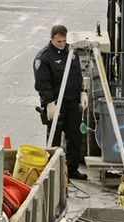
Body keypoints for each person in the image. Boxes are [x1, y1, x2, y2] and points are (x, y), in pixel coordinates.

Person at [33, 25, 89, 180]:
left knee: (75, 137)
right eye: (58, 41)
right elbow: (42, 83)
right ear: (51, 38)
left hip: (72, 102)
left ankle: (71, 169)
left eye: (64, 41)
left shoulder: (71, 53)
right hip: (56, 104)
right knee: (54, 139)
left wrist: (83, 91)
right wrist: (48, 103)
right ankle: (53, 172)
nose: (62, 44)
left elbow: (78, 75)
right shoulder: (44, 58)